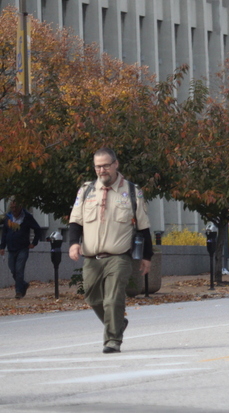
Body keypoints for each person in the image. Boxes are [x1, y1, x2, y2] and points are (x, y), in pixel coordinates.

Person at [67, 147, 153, 353]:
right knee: (92, 297)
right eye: (98, 166)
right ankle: (117, 323)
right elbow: (75, 221)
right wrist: (73, 243)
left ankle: (112, 340)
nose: (102, 170)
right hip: (92, 257)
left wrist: (147, 257)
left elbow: (143, 227)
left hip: (119, 256)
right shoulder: (86, 190)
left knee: (113, 299)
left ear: (116, 164)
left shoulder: (132, 191)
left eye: (106, 165)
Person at [0, 197, 41, 299]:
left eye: (15, 207)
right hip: (11, 248)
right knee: (12, 269)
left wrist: (34, 243)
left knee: (19, 270)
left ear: (20, 207)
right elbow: (4, 232)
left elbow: (37, 229)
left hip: (23, 248)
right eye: (12, 207)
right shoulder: (8, 217)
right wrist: (2, 247)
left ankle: (18, 292)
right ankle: (23, 284)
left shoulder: (27, 217)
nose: (14, 210)